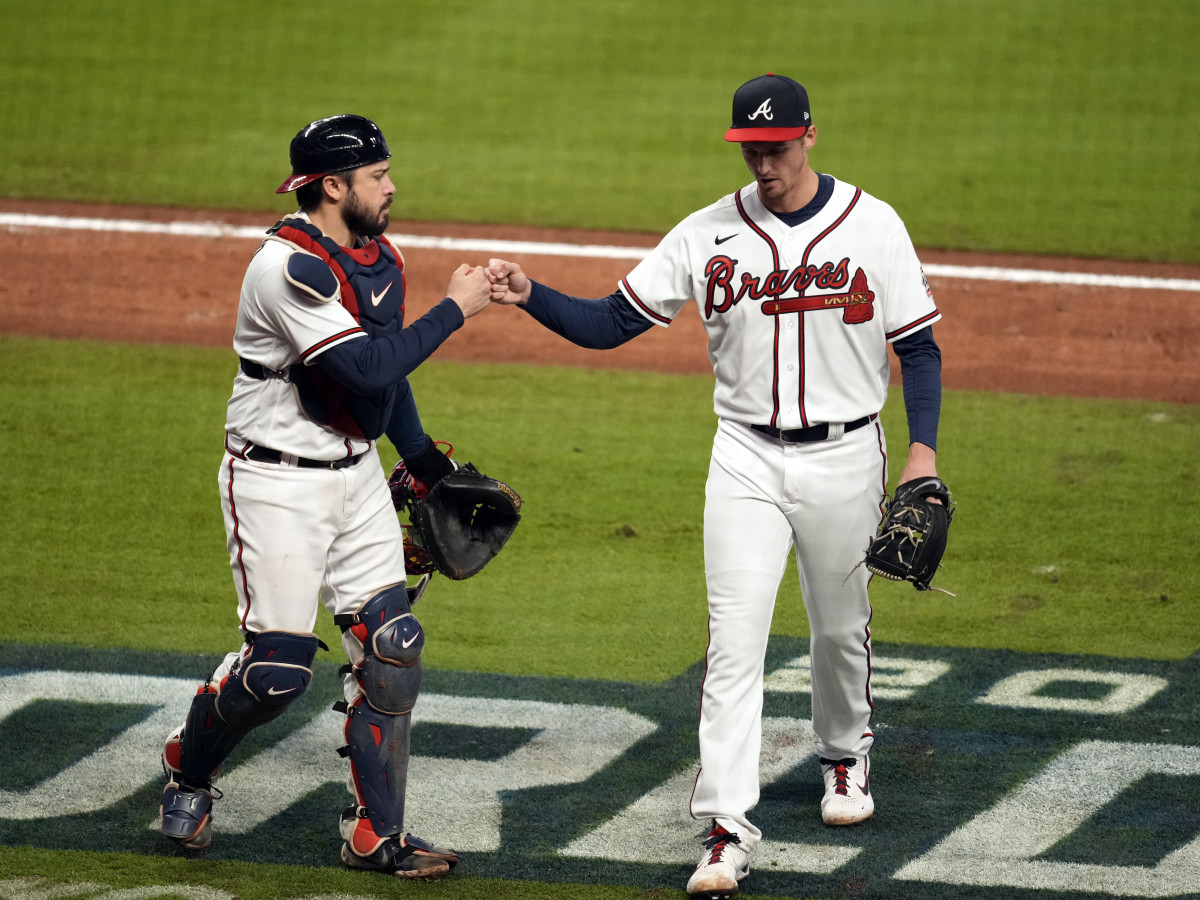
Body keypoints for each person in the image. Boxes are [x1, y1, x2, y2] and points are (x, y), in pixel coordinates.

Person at [486, 74, 944, 898]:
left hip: (847, 456)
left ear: (810, 137)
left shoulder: (874, 227)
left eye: (776, 147)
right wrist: (530, 297)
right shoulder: (707, 234)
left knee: (840, 628)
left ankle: (845, 757)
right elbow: (609, 323)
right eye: (751, 150)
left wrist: (923, 455)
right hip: (743, 458)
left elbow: (920, 348)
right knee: (733, 646)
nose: (763, 163)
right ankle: (727, 829)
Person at [158, 114, 492, 881]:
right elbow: (370, 369)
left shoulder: (376, 255)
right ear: (334, 186)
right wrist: (458, 309)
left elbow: (387, 382)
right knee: (275, 674)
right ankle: (189, 763)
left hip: (355, 475)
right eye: (377, 176)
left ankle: (378, 833)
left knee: (391, 648)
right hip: (275, 482)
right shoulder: (287, 270)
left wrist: (423, 467)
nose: (392, 185)